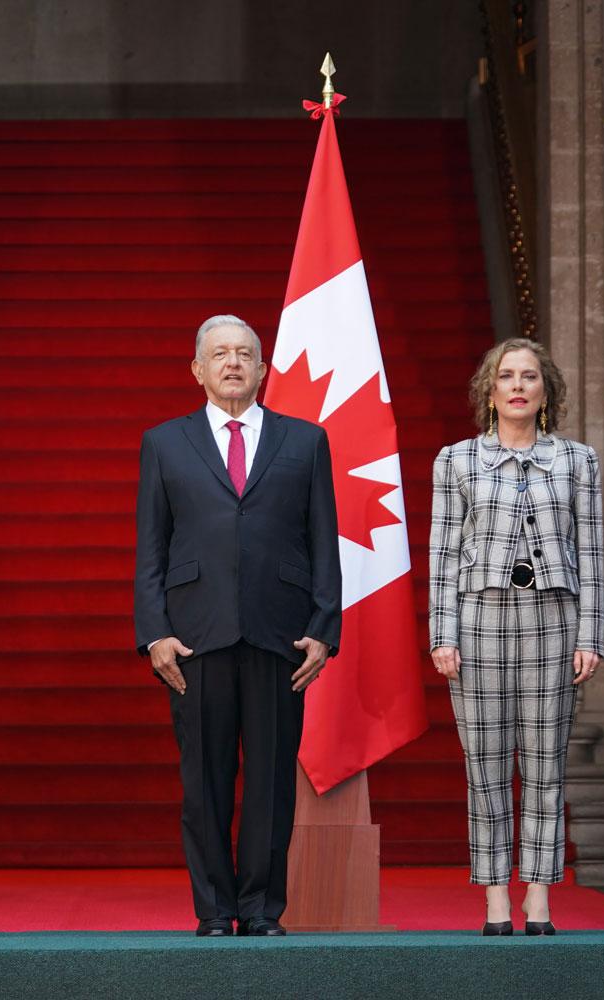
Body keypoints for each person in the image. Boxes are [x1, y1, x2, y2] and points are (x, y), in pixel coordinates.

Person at [133, 315, 342, 938]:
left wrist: (324, 627)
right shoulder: (165, 443)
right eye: (219, 354)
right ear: (197, 369)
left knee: (272, 782)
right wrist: (154, 632)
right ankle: (213, 909)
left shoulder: (305, 441)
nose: (232, 363)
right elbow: (152, 546)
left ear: (262, 369)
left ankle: (260, 908)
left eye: (244, 354)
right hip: (195, 634)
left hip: (281, 635)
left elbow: (324, 541)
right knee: (204, 783)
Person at [428, 336, 604, 937]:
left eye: (530, 376)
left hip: (553, 623)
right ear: (490, 390)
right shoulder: (455, 461)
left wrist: (592, 634)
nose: (519, 385)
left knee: (546, 767)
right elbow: (443, 556)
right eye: (507, 376)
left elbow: (593, 553)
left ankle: (539, 896)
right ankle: (495, 897)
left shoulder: (578, 462)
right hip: (478, 624)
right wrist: (441, 633)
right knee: (485, 766)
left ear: (545, 389)